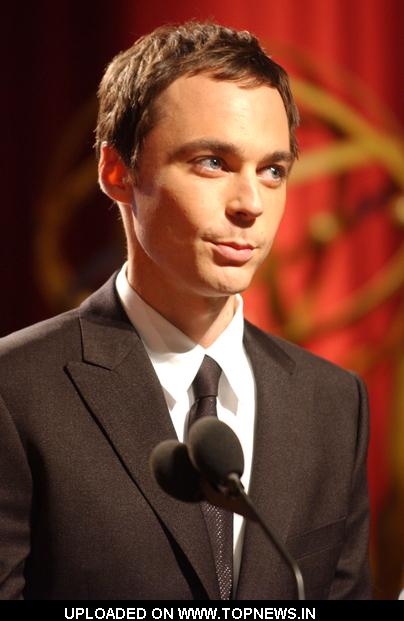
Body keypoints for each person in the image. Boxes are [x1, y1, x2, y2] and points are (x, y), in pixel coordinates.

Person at [0, 21, 371, 600]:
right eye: (212, 163)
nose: (251, 203)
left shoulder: (333, 403)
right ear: (117, 172)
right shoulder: (16, 390)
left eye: (273, 170)